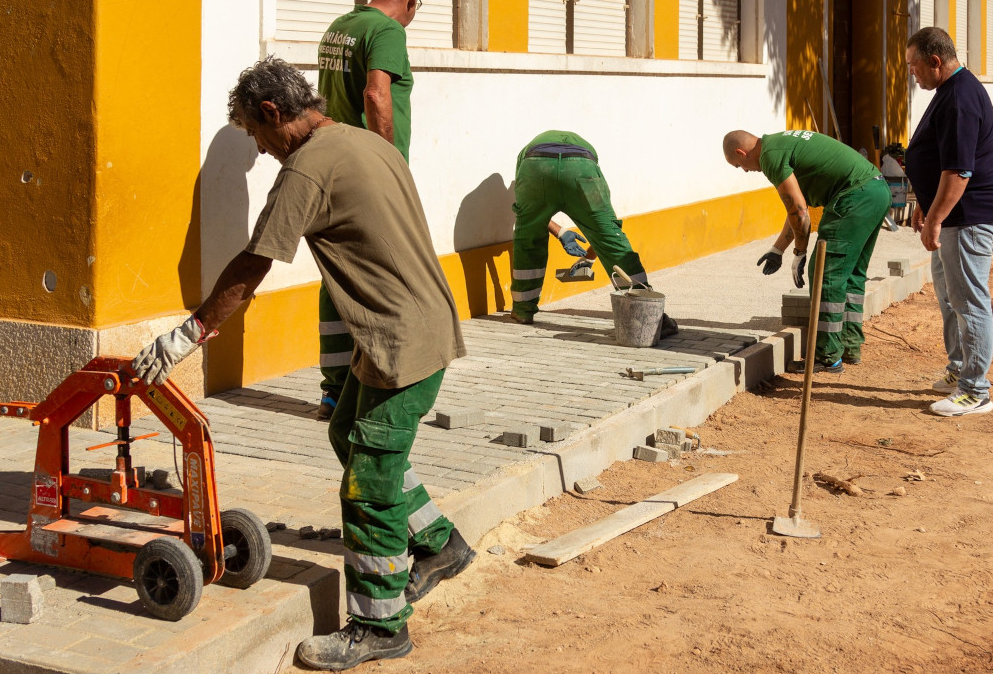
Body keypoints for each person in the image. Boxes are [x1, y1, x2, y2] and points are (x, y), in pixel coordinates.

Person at [132, 57, 475, 671]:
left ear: (272, 114)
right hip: (414, 327)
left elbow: (252, 265)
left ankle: (379, 627)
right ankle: (439, 544)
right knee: (349, 433)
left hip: (403, 342)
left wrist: (188, 335)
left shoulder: (306, 170)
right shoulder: (362, 141)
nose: (261, 152)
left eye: (256, 137)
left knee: (368, 482)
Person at [314, 0, 423, 420]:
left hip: (333, 161)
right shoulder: (387, 31)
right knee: (384, 272)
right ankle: (375, 386)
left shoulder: (340, 27)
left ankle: (334, 389)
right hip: (370, 169)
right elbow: (377, 95)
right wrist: (386, 163)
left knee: (337, 273)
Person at [904, 27, 993, 417]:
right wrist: (926, 204)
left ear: (935, 61)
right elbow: (939, 160)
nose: (913, 75)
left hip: (968, 216)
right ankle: (960, 368)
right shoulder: (949, 91)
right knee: (950, 298)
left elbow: (959, 171)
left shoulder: (961, 98)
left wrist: (935, 218)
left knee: (968, 300)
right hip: (952, 214)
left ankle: (975, 390)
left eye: (914, 67)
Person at [723, 129, 890, 372]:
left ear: (742, 152)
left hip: (854, 197)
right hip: (876, 190)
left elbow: (799, 212)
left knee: (826, 274)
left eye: (739, 165)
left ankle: (827, 356)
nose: (746, 170)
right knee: (850, 273)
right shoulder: (782, 143)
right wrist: (778, 249)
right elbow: (798, 207)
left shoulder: (771, 157)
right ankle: (849, 344)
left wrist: (800, 252)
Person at [510, 130, 677, 336]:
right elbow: (603, 233)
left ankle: (522, 311)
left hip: (536, 167)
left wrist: (561, 232)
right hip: (581, 166)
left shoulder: (524, 160)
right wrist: (587, 252)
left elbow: (530, 219)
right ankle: (648, 314)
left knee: (528, 239)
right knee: (612, 239)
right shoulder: (588, 156)